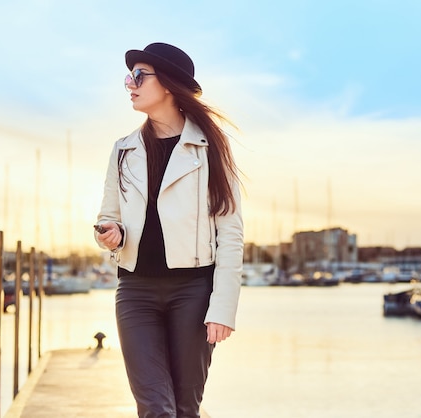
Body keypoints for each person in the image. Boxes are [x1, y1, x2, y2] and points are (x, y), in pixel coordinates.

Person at [94, 42, 244, 418]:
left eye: (139, 75)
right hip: (135, 290)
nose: (130, 83)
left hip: (193, 292)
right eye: (130, 76)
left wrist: (223, 308)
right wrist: (109, 232)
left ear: (169, 85)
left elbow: (230, 230)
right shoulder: (123, 149)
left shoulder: (210, 147)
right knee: (155, 407)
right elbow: (108, 216)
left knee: (184, 407)